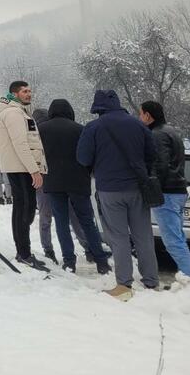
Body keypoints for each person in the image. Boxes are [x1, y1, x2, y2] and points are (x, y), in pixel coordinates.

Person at [77, 90, 160, 299]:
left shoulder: (93, 127)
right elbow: (152, 154)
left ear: (98, 107)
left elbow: (83, 158)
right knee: (143, 236)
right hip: (138, 189)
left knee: (119, 237)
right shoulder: (138, 125)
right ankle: (151, 281)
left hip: (109, 189)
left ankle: (124, 285)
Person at [37, 99, 112, 275]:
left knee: (61, 222)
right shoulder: (80, 129)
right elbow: (89, 155)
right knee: (87, 221)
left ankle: (69, 261)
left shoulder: (41, 130)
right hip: (78, 181)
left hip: (53, 182)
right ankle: (101, 260)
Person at [0, 81, 50, 271]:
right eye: (24, 91)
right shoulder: (13, 113)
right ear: (14, 93)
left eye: (29, 91)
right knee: (25, 209)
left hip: (19, 167)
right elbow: (21, 143)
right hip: (21, 168)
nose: (29, 94)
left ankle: (23, 251)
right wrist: (34, 170)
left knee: (22, 208)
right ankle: (24, 253)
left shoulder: (17, 111)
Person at [140, 100, 190, 279]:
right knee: (178, 238)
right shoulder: (171, 131)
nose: (139, 117)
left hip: (167, 193)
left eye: (141, 113)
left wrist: (152, 187)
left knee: (173, 241)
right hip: (178, 190)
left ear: (148, 115)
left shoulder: (157, 134)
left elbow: (160, 164)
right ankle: (188, 279)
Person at [32, 107, 58, 263]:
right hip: (59, 176)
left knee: (45, 216)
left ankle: (48, 249)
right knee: (69, 215)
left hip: (42, 178)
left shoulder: (34, 133)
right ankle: (86, 246)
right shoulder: (54, 130)